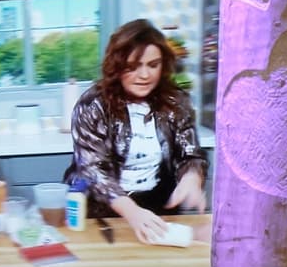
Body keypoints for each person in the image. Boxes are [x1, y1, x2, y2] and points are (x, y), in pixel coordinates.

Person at [67, 18, 209, 242]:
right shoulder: (92, 105)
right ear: (117, 65)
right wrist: (131, 212)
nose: (145, 75)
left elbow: (191, 153)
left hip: (157, 207)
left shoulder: (176, 101)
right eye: (133, 66)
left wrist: (192, 177)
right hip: (101, 213)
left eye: (153, 65)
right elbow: (93, 171)